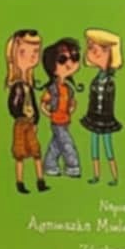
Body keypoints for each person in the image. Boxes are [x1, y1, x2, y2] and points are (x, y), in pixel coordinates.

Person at [5, 29, 47, 194]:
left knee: (36, 151)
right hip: (21, 123)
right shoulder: (16, 86)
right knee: (20, 154)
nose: (32, 56)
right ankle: (20, 182)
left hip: (30, 122)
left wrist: (35, 120)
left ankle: (40, 180)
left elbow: (34, 105)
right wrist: (21, 114)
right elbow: (12, 105)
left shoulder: (29, 85)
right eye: (24, 52)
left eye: (35, 51)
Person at [82, 30, 122, 186]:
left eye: (103, 49)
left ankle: (114, 177)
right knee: (94, 146)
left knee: (107, 145)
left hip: (106, 118)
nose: (95, 52)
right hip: (93, 116)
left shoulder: (110, 80)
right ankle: (96, 175)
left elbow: (109, 102)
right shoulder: (96, 78)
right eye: (91, 48)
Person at [40, 38, 84, 180]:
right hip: (56, 121)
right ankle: (73, 166)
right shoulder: (52, 89)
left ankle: (50, 165)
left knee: (56, 145)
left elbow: (71, 103)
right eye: (62, 59)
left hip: (65, 120)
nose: (69, 64)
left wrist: (71, 108)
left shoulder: (68, 89)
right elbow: (43, 103)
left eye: (74, 57)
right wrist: (48, 113)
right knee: (66, 144)